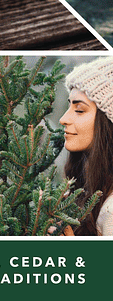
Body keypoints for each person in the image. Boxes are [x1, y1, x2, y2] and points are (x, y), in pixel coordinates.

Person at [59, 57, 113, 236]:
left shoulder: (110, 211)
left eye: (79, 110)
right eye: (69, 106)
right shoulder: (89, 189)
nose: (64, 119)